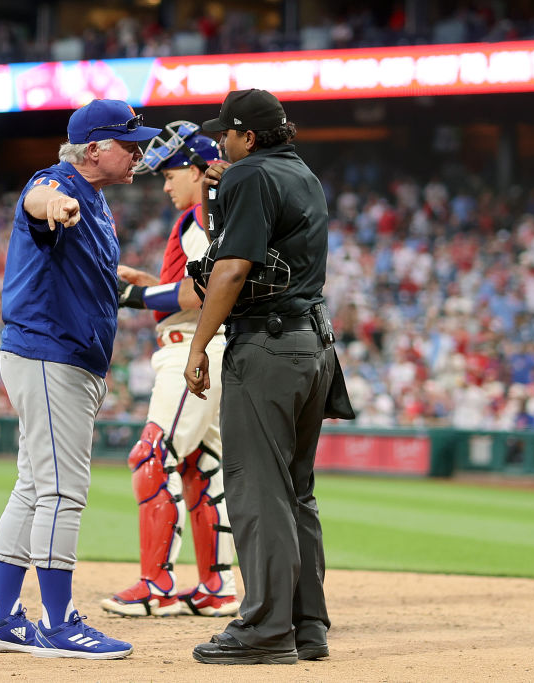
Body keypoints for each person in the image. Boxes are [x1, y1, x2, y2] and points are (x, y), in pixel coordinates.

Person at [0, 99, 161, 660]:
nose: (139, 152)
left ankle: (1, 618)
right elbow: (37, 200)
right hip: (52, 355)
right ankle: (58, 623)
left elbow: (75, 263)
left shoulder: (96, 198)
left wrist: (118, 275)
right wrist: (51, 202)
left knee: (34, 486)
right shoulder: (58, 184)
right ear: (95, 149)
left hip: (58, 356)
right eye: (130, 143)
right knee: (61, 490)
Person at [184, 89, 342, 665]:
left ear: (248, 136)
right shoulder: (301, 173)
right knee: (296, 491)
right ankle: (307, 626)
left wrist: (198, 345)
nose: (220, 142)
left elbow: (229, 269)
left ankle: (265, 629)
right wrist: (229, 190)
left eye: (227, 133)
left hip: (269, 348)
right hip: (314, 347)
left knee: (257, 492)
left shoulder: (249, 176)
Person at [100, 121, 239, 618]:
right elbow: (187, 288)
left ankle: (156, 584)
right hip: (208, 348)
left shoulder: (205, 209)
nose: (165, 184)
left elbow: (206, 289)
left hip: (193, 353)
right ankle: (214, 588)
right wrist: (152, 284)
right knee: (200, 467)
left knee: (153, 457)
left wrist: (134, 295)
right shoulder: (206, 214)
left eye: (171, 173)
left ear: (200, 170)